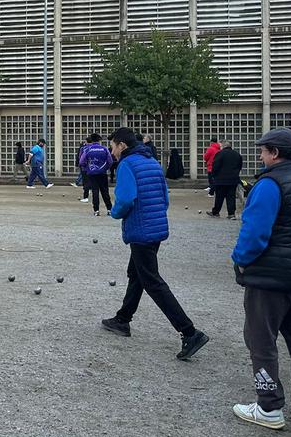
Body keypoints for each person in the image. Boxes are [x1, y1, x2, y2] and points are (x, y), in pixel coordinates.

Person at [229, 128, 291, 431]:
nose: (260, 156)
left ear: (274, 153)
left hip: (271, 277)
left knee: (261, 339)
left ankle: (269, 405)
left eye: (263, 151)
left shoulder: (270, 183)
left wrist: (240, 261)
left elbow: (256, 232)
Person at [101, 128, 208, 360]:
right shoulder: (151, 162)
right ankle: (123, 319)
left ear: (121, 145)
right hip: (155, 227)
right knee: (137, 274)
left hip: (141, 230)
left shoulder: (127, 165)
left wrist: (115, 212)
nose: (112, 151)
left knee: (152, 281)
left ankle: (189, 332)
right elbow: (164, 196)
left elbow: (126, 198)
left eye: (112, 146)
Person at [78, 133, 112, 216]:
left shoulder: (87, 150)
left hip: (92, 173)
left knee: (95, 192)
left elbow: (81, 161)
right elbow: (110, 161)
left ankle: (96, 210)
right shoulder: (104, 149)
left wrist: (87, 168)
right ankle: (109, 209)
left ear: (91, 140)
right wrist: (105, 168)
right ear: (99, 140)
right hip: (102, 173)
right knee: (105, 191)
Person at [208, 141, 244, 219]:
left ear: (223, 146)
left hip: (221, 179)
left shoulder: (219, 154)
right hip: (233, 179)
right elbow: (240, 166)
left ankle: (216, 212)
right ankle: (231, 214)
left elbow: (215, 166)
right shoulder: (237, 154)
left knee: (219, 197)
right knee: (231, 196)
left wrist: (214, 175)